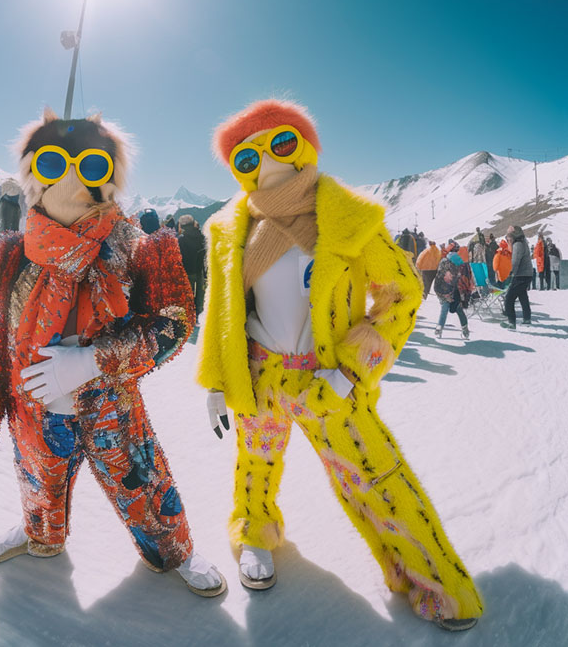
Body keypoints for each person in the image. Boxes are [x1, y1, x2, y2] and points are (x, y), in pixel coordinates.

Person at [198, 99, 481, 630]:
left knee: (374, 474)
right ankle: (254, 531)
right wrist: (217, 380)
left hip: (327, 379)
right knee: (256, 464)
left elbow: (401, 294)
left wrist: (352, 369)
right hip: (260, 374)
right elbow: (222, 311)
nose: (266, 159)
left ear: (305, 147)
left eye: (280, 141)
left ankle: (432, 579)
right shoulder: (229, 229)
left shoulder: (347, 218)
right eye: (247, 155)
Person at [0, 109, 225, 597]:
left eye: (91, 164)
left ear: (109, 178)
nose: (71, 177)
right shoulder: (14, 254)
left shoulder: (136, 247)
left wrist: (95, 361)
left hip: (113, 410)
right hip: (33, 411)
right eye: (53, 163)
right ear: (33, 176)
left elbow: (175, 321)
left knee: (146, 488)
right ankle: (38, 535)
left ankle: (175, 551)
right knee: (39, 488)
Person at [433, 243, 473, 339]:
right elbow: (463, 281)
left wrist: (442, 293)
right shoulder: (461, 265)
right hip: (454, 291)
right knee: (459, 309)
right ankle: (465, 330)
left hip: (442, 289)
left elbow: (438, 278)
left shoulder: (443, 262)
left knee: (444, 308)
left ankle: (439, 328)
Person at [502, 225, 532, 329]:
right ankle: (527, 318)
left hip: (521, 275)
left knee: (509, 298)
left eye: (509, 236)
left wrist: (511, 273)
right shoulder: (523, 242)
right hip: (526, 274)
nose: (508, 239)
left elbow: (515, 261)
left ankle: (511, 322)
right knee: (523, 296)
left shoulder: (518, 245)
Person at [177, 214, 206, 315]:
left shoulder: (181, 239)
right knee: (200, 291)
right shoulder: (201, 236)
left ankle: (189, 312)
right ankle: (199, 310)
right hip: (200, 268)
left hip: (187, 269)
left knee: (188, 293)